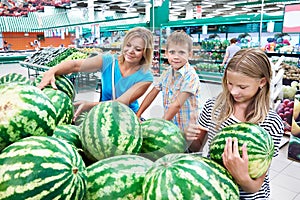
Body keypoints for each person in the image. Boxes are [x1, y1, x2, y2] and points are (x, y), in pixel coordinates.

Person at [185, 48, 284, 199]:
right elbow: (196, 147)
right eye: (230, 83)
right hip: (216, 190)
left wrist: (241, 175)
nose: (233, 91)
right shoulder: (213, 107)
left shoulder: (271, 122)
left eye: (242, 87)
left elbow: (255, 186)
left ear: (262, 82)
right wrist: (190, 138)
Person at [38, 27, 154, 120]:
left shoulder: (145, 76)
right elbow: (75, 65)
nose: (130, 51)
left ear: (145, 52)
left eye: (138, 49)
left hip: (128, 118)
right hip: (102, 114)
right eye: (128, 45)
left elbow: (121, 102)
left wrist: (89, 105)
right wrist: (52, 71)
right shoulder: (108, 61)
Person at [136, 30, 201, 132]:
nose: (176, 56)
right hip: (171, 127)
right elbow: (152, 93)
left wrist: (160, 126)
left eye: (181, 52)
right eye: (172, 52)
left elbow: (177, 104)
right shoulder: (166, 73)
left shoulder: (191, 76)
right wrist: (138, 115)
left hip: (187, 131)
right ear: (166, 53)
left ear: (190, 54)